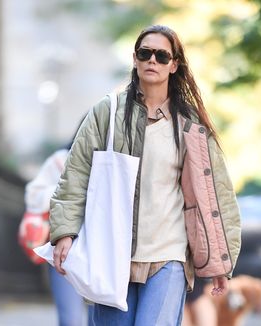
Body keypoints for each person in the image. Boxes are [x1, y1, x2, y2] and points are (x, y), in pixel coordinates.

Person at [49, 25, 241, 326]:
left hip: (169, 256)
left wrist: (220, 261)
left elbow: (216, 194)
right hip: (112, 254)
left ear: (174, 65)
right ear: (135, 59)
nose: (153, 60)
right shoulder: (107, 112)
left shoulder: (189, 124)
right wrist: (65, 232)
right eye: (145, 53)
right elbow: (76, 174)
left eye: (162, 56)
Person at [24, 145, 93, 326]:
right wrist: (66, 192)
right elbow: (33, 195)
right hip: (64, 250)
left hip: (98, 249)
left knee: (102, 318)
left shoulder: (113, 158)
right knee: (71, 320)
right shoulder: (60, 160)